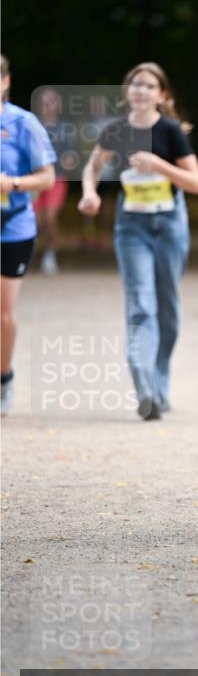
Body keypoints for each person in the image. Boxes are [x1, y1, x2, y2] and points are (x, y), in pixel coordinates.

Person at [78, 62, 198, 420]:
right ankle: (144, 388)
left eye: (149, 85)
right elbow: (92, 167)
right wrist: (89, 193)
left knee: (167, 309)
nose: (141, 90)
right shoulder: (116, 130)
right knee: (140, 305)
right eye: (136, 84)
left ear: (161, 94)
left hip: (169, 224)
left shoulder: (171, 131)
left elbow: (196, 183)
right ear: (127, 91)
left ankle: (159, 384)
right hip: (131, 226)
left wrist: (158, 165)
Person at [0, 54, 56, 416]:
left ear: (5, 82)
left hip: (12, 226)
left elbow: (47, 178)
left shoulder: (23, 123)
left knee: (2, 311)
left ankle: (3, 378)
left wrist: (13, 184)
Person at [33, 86, 80, 274]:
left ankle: (50, 254)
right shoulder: (32, 125)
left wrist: (70, 161)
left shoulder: (66, 128)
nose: (49, 105)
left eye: (52, 101)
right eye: (45, 101)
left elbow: (73, 154)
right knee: (36, 220)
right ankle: (30, 251)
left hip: (56, 179)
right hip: (34, 179)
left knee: (49, 218)